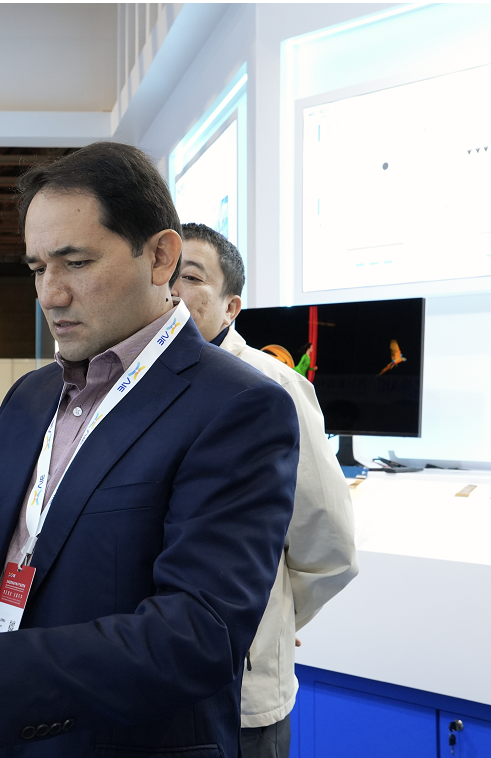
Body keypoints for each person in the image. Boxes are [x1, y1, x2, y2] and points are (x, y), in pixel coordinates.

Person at [0, 142, 301, 758]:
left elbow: (199, 635)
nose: (50, 294)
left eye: (75, 263)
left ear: (161, 257)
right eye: (37, 268)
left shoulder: (238, 406)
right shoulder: (32, 396)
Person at [173, 222, 358, 758]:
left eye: (192, 277)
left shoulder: (272, 387)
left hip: (241, 692)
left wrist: (267, 617)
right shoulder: (137, 384)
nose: (173, 289)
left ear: (231, 307)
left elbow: (329, 542)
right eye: (165, 273)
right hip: (148, 682)